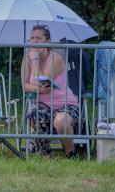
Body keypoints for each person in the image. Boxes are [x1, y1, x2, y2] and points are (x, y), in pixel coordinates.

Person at [22, 25, 79, 158]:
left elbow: (39, 80)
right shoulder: (26, 59)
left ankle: (70, 153)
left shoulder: (56, 58)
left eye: (38, 38)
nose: (34, 41)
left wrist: (35, 60)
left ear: (48, 41)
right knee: (35, 113)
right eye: (32, 38)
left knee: (60, 121)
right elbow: (25, 85)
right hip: (43, 105)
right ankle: (44, 155)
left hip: (65, 105)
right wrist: (39, 89)